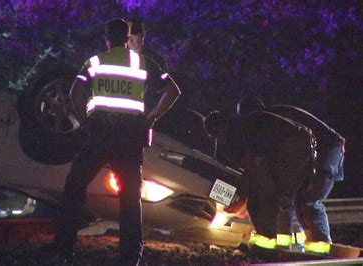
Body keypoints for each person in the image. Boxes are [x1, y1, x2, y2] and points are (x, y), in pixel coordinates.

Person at [54, 19, 180, 265]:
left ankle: (64, 248)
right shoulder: (143, 63)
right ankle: (131, 256)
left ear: (107, 37)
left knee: (75, 184)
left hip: (100, 133)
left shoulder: (95, 63)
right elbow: (173, 91)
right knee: (130, 196)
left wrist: (85, 121)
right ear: (128, 37)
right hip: (130, 136)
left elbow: (74, 93)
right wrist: (151, 118)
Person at [236, 96, 345, 251]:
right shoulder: (274, 121)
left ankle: (321, 246)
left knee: (309, 196)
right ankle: (302, 244)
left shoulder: (273, 122)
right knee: (295, 196)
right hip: (316, 150)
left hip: (327, 149)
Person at [204, 110, 316, 250]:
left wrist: (243, 199)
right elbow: (252, 168)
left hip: (293, 147)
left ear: (221, 125)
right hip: (296, 145)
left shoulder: (242, 132)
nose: (219, 139)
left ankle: (272, 245)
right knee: (271, 198)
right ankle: (274, 244)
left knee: (273, 199)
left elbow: (253, 168)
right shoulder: (246, 127)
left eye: (216, 134)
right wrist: (244, 199)